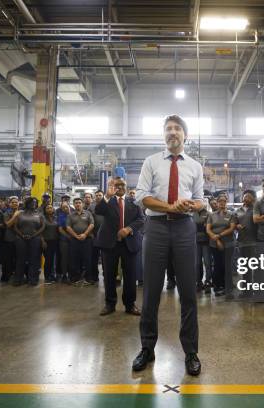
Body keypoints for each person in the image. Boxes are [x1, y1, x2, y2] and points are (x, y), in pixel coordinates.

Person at [133, 114, 204, 376]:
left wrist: (194, 205)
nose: (172, 132)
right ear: (164, 135)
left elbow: (200, 200)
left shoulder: (195, 166)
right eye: (168, 129)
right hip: (157, 227)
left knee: (188, 292)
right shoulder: (151, 162)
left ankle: (191, 352)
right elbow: (142, 196)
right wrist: (169, 206)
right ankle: (147, 348)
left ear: (185, 135)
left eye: (177, 129)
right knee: (151, 291)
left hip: (185, 228)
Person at [96, 177, 144, 316]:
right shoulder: (107, 201)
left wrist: (128, 229)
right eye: (117, 185)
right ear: (113, 187)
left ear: (126, 186)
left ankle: (130, 305)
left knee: (130, 276)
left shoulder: (134, 203)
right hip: (109, 244)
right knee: (109, 275)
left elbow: (141, 219)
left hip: (129, 243)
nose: (120, 187)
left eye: (122, 184)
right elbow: (99, 211)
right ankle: (110, 304)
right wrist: (107, 196)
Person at [206, 195, 236, 297]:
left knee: (227, 265)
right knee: (217, 265)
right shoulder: (212, 215)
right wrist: (217, 239)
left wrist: (219, 235)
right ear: (217, 203)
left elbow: (231, 228)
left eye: (224, 201)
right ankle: (217, 286)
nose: (222, 203)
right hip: (214, 244)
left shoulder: (231, 214)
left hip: (228, 244)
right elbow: (208, 229)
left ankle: (227, 286)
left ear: (226, 202)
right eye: (220, 201)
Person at [14, 197, 45, 286]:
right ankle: (18, 279)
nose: (34, 204)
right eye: (32, 202)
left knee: (34, 259)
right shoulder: (20, 213)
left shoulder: (39, 214)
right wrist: (22, 235)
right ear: (27, 203)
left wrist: (33, 235)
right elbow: (15, 226)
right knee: (20, 259)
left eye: (35, 202)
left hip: (35, 239)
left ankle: (33, 279)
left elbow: (42, 227)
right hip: (21, 239)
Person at [234, 190, 257, 298]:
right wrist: (236, 226)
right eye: (244, 196)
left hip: (253, 242)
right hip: (242, 242)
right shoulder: (238, 210)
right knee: (245, 268)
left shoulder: (256, 209)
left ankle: (254, 290)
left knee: (254, 268)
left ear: (252, 198)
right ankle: (246, 290)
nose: (245, 198)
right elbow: (234, 223)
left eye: (248, 196)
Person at [66, 198, 95, 285]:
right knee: (74, 259)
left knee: (87, 259)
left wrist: (85, 234)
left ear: (82, 204)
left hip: (87, 240)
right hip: (74, 240)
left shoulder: (88, 213)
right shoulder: (70, 215)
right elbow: (68, 227)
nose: (78, 204)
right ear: (74, 205)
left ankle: (88, 278)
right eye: (76, 203)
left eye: (79, 203)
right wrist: (76, 236)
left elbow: (92, 224)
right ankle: (75, 278)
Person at [1, 197, 20, 283]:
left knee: (17, 259)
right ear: (9, 204)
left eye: (16, 202)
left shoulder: (22, 213)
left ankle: (16, 276)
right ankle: (6, 277)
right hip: (9, 239)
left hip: (19, 239)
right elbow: (8, 225)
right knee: (7, 260)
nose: (15, 204)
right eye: (13, 202)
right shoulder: (6, 213)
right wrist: (15, 215)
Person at [193, 202, 210, 293]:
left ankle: (207, 282)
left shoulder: (208, 214)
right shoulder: (192, 213)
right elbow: (192, 227)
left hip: (206, 242)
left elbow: (207, 227)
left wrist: (201, 227)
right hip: (196, 242)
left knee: (207, 263)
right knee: (197, 264)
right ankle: (198, 282)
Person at [41, 204, 59, 284]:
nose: (49, 209)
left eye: (51, 208)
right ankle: (47, 277)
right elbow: (40, 231)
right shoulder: (42, 218)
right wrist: (43, 241)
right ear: (45, 210)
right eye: (47, 208)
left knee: (53, 260)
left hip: (55, 241)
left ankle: (53, 276)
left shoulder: (56, 218)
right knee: (48, 260)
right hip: (46, 242)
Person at [57, 201, 72, 283]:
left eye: (66, 206)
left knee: (72, 258)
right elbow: (60, 229)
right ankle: (64, 275)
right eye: (63, 207)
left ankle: (71, 274)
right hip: (64, 241)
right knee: (64, 258)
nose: (65, 208)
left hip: (74, 240)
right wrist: (68, 236)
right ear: (61, 209)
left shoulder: (73, 215)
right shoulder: (61, 216)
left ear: (69, 206)